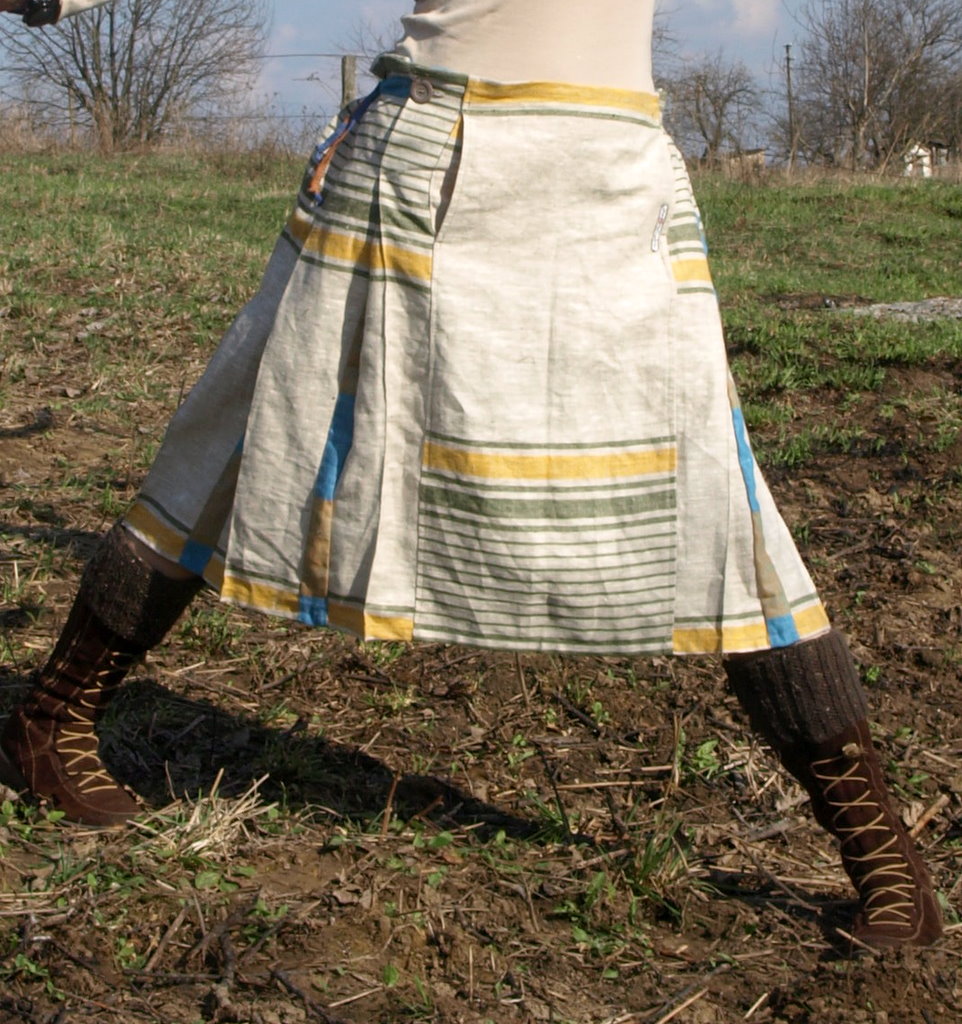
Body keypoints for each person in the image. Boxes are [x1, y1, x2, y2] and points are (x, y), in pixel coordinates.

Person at [0, 0, 943, 950]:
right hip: (426, 164)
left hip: (615, 182)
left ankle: (882, 856)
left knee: (717, 499)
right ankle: (51, 720)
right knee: (244, 434)